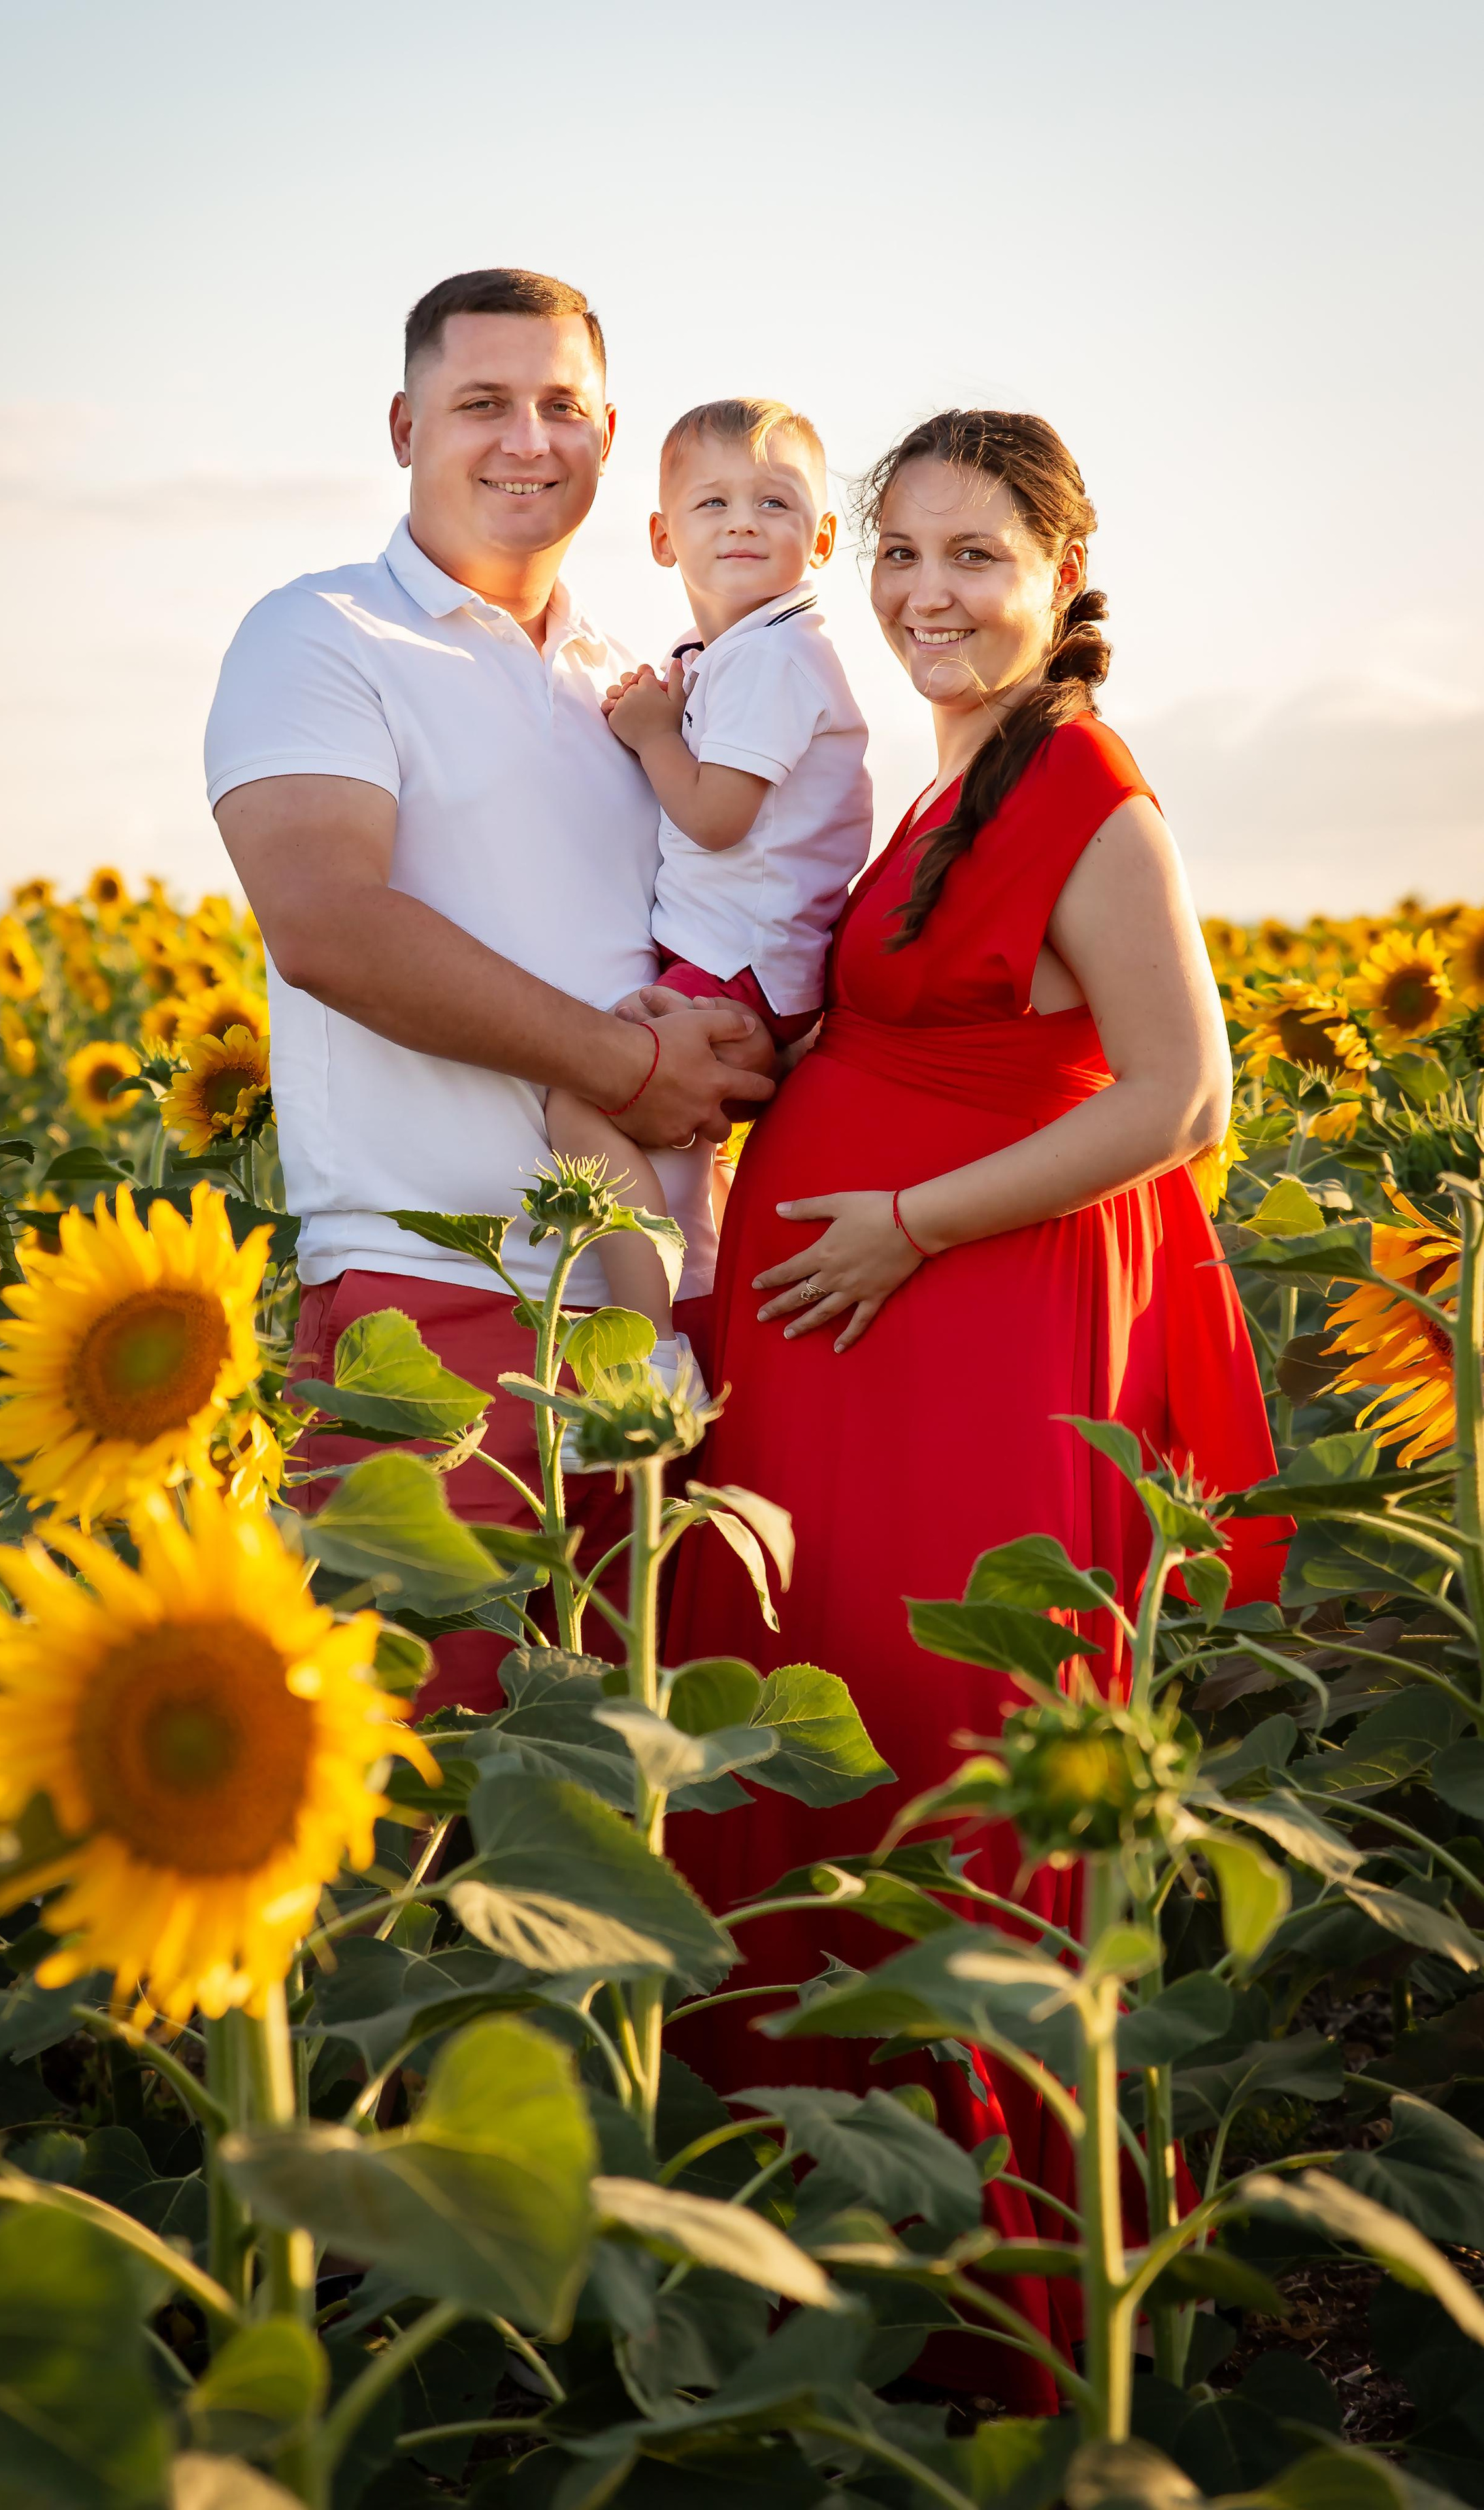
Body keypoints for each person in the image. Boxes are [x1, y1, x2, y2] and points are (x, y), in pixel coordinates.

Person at [665, 409, 1286, 2411]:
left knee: (947, 1769)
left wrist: (908, 1224)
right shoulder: (947, 786)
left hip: (976, 1339)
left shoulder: (1091, 790)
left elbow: (1181, 1099)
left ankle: (1011, 2341)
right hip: (857, 1339)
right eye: (907, 556)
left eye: (979, 560)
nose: (932, 595)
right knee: (808, 1752)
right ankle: (810, 2286)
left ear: (1060, 575)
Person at [203, 268, 773, 1711]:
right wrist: (629, 1069)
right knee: (402, 1790)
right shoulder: (321, 635)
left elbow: (723, 926)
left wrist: (738, 1034)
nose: (526, 438)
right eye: (481, 405)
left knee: (636, 1808)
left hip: (660, 1317)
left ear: (609, 433)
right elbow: (328, 921)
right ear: (404, 426)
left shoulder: (635, 690)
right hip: (432, 1308)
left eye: (560, 406)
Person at [546, 398, 871, 1389]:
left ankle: (647, 1343)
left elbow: (719, 817)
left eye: (774, 503)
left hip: (742, 964)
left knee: (584, 1101)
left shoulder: (776, 657)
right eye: (713, 502)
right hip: (748, 955)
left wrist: (649, 735)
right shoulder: (735, 654)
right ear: (662, 536)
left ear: (817, 539)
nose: (741, 522)